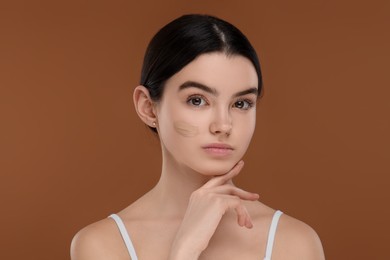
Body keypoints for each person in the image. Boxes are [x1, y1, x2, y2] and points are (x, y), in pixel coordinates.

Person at [70, 14, 325, 260]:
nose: (223, 125)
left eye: (242, 103)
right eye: (197, 100)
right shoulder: (102, 245)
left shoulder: (294, 242)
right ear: (148, 107)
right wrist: (185, 250)